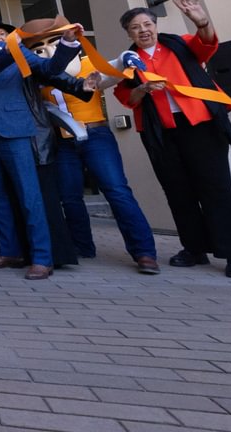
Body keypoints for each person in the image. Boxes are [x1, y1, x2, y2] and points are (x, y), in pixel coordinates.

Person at [113, 0, 231, 279]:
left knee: (217, 188)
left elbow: (207, 43)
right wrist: (142, 88)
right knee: (178, 192)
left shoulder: (179, 45)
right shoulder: (127, 61)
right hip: (159, 132)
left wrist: (201, 20)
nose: (143, 30)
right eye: (135, 27)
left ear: (155, 25)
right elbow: (126, 97)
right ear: (128, 33)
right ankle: (194, 247)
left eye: (147, 24)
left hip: (200, 125)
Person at [23, 19, 160, 275]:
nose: (49, 51)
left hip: (96, 135)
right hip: (62, 141)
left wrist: (125, 58)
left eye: (54, 43)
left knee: (117, 191)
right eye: (39, 48)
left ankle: (144, 252)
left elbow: (109, 73)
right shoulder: (38, 74)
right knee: (70, 198)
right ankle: (81, 246)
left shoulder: (87, 64)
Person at [0, 10, 82, 280]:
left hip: (15, 130)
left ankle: (42, 258)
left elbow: (49, 70)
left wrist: (67, 44)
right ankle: (10, 251)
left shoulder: (14, 50)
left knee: (30, 195)